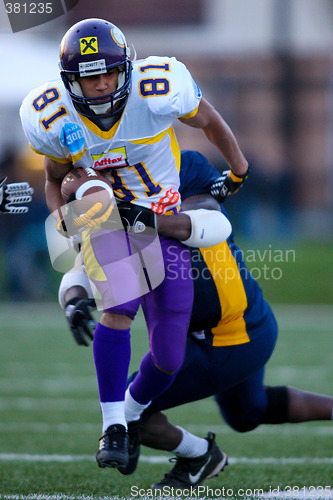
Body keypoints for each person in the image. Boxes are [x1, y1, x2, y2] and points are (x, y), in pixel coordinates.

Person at [19, 18, 248, 470]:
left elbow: (209, 118)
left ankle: (131, 416)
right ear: (71, 81)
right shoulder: (54, 115)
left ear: (127, 68)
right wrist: (70, 228)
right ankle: (114, 427)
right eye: (89, 75)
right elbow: (52, 181)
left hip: (160, 224)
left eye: (109, 72)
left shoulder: (157, 90)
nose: (102, 84)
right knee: (119, 302)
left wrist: (238, 168)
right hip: (105, 218)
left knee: (168, 357)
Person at [59, 150, 333, 490]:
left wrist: (134, 217)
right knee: (247, 412)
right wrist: (74, 300)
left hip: (232, 334)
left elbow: (203, 220)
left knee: (129, 407)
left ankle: (198, 455)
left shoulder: (180, 167)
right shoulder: (102, 190)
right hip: (220, 329)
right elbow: (82, 265)